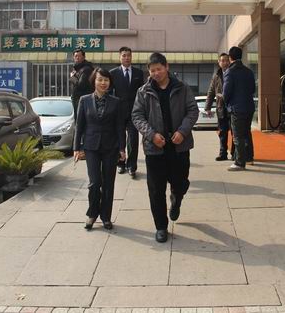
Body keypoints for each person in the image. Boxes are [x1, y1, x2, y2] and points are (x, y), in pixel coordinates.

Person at [131, 52, 199, 243]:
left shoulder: (182, 88)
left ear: (167, 67)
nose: (156, 73)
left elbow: (192, 110)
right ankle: (161, 226)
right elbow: (137, 116)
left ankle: (176, 199)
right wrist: (151, 135)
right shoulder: (143, 91)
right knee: (156, 190)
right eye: (152, 70)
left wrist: (182, 132)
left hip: (179, 146)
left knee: (181, 182)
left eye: (159, 69)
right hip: (155, 149)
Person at [73, 68, 126, 230]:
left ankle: (106, 217)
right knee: (95, 183)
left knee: (108, 183)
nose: (103, 83)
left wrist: (122, 148)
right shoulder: (84, 100)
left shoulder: (116, 102)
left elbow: (120, 127)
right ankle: (92, 214)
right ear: (94, 81)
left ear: (110, 82)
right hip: (91, 147)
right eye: (100, 79)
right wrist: (76, 148)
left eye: (106, 80)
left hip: (111, 147)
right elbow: (79, 125)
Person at [109, 46, 145, 178]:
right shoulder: (113, 73)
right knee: (119, 139)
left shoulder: (138, 73)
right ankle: (120, 164)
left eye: (128, 55)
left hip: (134, 113)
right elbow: (109, 93)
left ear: (131, 57)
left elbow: (142, 93)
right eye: (124, 55)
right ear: (120, 57)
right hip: (118, 112)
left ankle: (132, 166)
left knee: (133, 140)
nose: (126, 58)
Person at [223, 46, 256, 171]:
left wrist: (227, 104)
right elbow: (253, 89)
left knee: (238, 136)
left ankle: (239, 162)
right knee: (247, 133)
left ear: (230, 57)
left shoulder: (230, 72)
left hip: (237, 108)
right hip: (249, 107)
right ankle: (249, 158)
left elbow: (226, 93)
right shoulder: (248, 71)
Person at [204, 53, 233, 161]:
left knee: (234, 132)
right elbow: (211, 91)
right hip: (221, 107)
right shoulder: (216, 75)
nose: (225, 63)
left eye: (227, 60)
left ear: (229, 61)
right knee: (222, 132)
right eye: (222, 60)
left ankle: (235, 153)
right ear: (219, 62)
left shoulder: (233, 73)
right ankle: (223, 153)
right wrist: (207, 107)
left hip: (232, 107)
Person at [70, 48, 94, 120]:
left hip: (82, 99)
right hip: (77, 99)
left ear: (83, 57)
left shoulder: (86, 69)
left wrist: (72, 77)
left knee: (81, 119)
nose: (77, 58)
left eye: (79, 56)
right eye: (75, 56)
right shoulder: (77, 69)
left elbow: (81, 85)